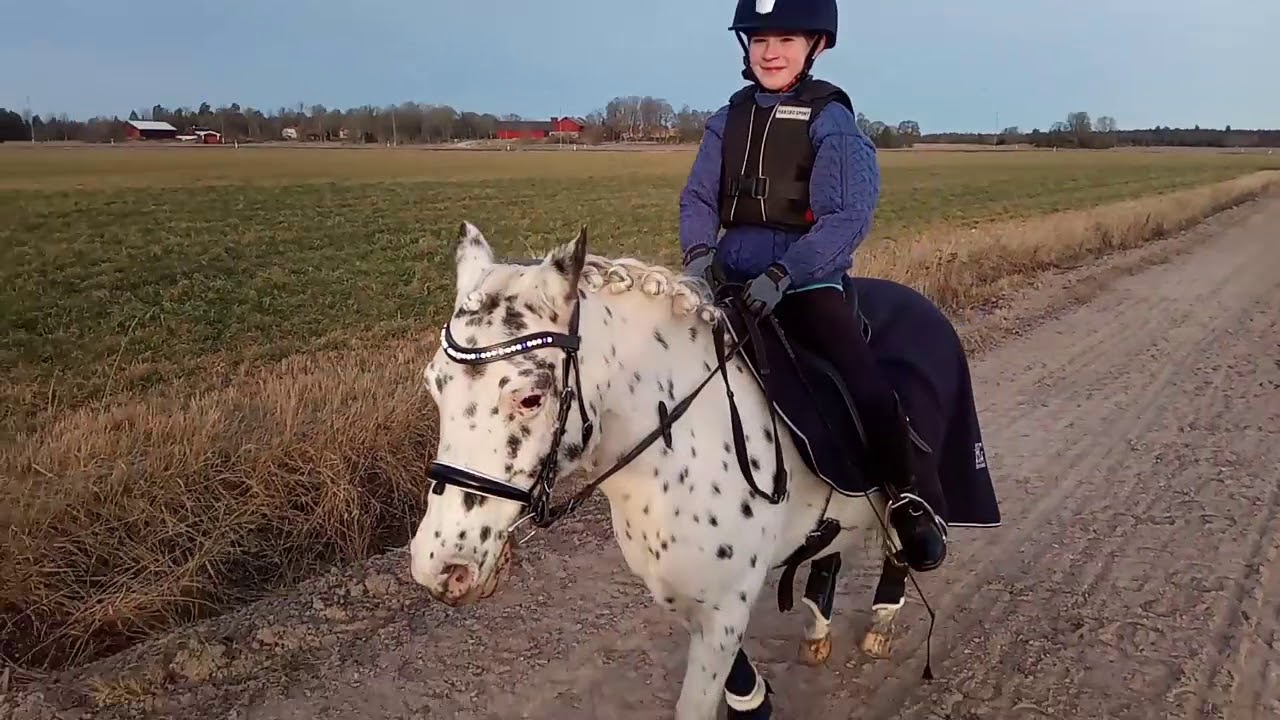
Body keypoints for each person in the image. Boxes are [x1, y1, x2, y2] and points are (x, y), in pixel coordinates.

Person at [678, 0, 948, 573]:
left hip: (804, 282)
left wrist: (785, 274)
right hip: (726, 276)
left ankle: (906, 500)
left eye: (786, 40)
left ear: (815, 46)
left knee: (863, 381)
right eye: (758, 40)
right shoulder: (726, 121)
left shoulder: (831, 120)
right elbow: (699, 198)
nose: (770, 52)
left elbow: (846, 216)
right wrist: (700, 258)